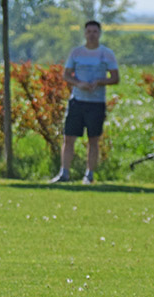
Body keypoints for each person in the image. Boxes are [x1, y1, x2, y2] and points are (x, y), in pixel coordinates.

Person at [51, 20, 119, 184]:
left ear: (99, 33)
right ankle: (64, 173)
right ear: (84, 33)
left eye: (95, 32)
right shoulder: (77, 53)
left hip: (96, 103)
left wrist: (100, 82)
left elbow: (115, 78)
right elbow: (66, 75)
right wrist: (78, 83)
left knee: (93, 139)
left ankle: (89, 175)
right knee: (69, 138)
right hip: (77, 101)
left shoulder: (106, 54)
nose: (91, 35)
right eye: (89, 32)